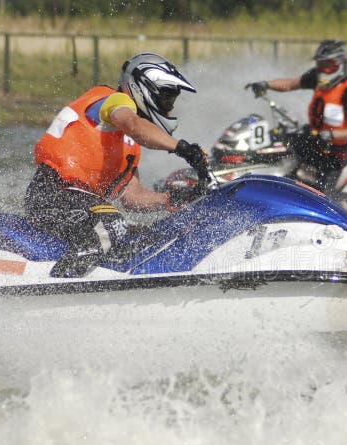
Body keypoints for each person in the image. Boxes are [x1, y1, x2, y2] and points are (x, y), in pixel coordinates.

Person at [26, 52, 210, 278]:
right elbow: (134, 124)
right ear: (143, 88)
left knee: (144, 237)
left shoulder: (127, 143)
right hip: (51, 195)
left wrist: (174, 199)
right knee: (112, 225)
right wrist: (183, 149)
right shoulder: (115, 101)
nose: (169, 109)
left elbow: (132, 198)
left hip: (81, 204)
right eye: (166, 99)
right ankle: (60, 286)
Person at [245, 40, 347, 193]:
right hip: (312, 142)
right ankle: (244, 167)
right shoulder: (318, 77)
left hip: (333, 158)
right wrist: (266, 84)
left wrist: (331, 135)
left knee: (320, 195)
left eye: (328, 65)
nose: (322, 69)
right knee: (277, 142)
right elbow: (290, 84)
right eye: (320, 64)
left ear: (340, 64)